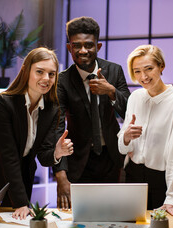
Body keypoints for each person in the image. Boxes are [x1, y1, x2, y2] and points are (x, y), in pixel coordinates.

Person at [0, 47, 74, 219]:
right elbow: (8, 155)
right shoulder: (3, 104)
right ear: (26, 70)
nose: (46, 79)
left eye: (51, 74)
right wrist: (20, 202)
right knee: (5, 220)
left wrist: (56, 153)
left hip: (23, 173)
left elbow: (43, 156)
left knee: (21, 221)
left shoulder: (52, 109)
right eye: (39, 72)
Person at [53, 16, 130, 209]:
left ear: (99, 46)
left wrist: (111, 91)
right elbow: (57, 127)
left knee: (114, 214)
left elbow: (130, 110)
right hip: (79, 161)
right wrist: (60, 174)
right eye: (76, 45)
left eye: (89, 45)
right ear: (69, 47)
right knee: (80, 218)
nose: (83, 51)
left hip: (112, 158)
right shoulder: (62, 80)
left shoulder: (114, 71)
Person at [118, 45, 173, 216]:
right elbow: (123, 147)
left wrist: (172, 198)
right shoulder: (135, 97)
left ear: (161, 66)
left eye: (149, 69)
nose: (143, 76)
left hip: (160, 180)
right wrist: (125, 137)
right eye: (137, 71)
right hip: (132, 176)